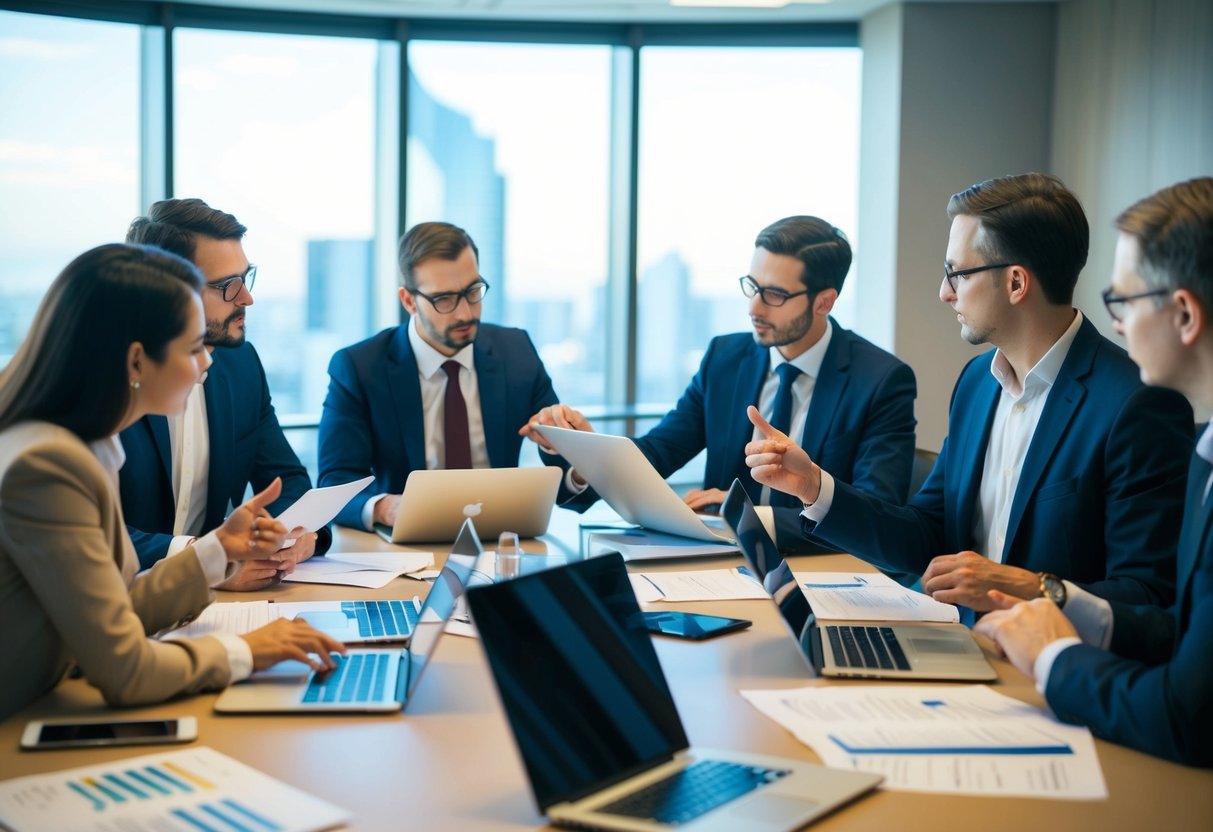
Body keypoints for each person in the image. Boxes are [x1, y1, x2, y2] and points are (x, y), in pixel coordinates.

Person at [746, 173, 1193, 613]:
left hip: (1053, 670)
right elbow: (927, 534)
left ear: (1016, 283)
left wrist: (1030, 588)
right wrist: (813, 486)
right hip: (958, 641)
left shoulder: (1135, 402)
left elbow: (1149, 599)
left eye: (956, 274)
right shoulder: (977, 382)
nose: (944, 293)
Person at [0, 244, 343, 721]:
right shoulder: (48, 464)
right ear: (137, 362)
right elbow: (127, 670)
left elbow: (115, 611)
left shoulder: (86, 444)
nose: (207, 363)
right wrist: (246, 651)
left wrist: (220, 549)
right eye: (193, 347)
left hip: (49, 701)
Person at [974, 177, 1213, 766]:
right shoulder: (1207, 450)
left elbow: (1188, 716)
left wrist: (1053, 656)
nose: (1119, 325)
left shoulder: (1136, 408)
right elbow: (1180, 631)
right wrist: (1059, 604)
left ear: (1183, 313)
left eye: (1124, 301)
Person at [523, 215, 917, 552]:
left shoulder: (880, 381)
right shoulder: (724, 360)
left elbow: (876, 512)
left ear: (824, 302)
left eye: (775, 295)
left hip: (822, 570)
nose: (754, 308)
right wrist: (588, 454)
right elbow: (660, 451)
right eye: (752, 286)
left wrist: (750, 518)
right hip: (718, 565)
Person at [120, 198, 327, 590]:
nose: (246, 299)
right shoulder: (109, 377)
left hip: (216, 610)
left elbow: (288, 480)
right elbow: (88, 533)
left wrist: (295, 537)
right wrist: (208, 560)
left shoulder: (240, 363)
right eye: (227, 287)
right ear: (169, 293)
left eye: (245, 279)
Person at [318, 221, 576, 530]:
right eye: (444, 299)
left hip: (499, 541)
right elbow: (334, 484)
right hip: (400, 552)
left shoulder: (516, 352)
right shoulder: (360, 367)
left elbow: (566, 480)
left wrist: (570, 454)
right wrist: (387, 508)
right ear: (409, 301)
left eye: (472, 292)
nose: (465, 313)